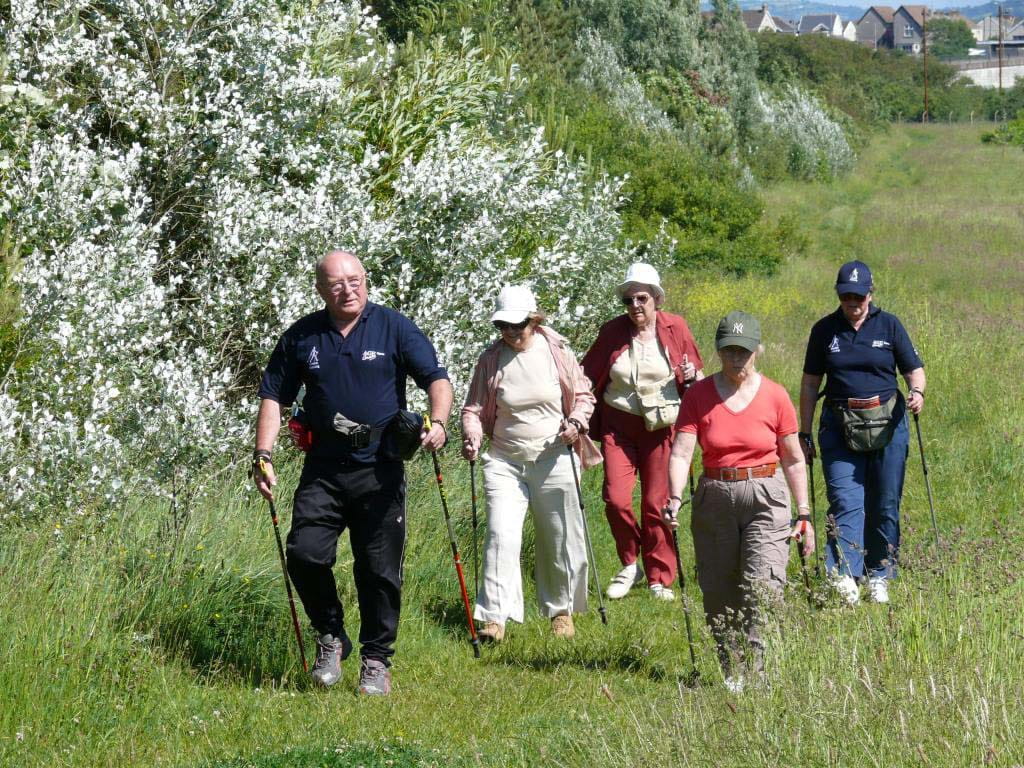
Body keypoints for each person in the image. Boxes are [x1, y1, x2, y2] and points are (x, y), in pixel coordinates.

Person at [253, 249, 452, 695]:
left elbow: (436, 379)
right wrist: (262, 454)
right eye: (337, 283)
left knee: (379, 570)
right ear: (321, 290)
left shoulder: (393, 326)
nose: (349, 289)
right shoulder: (303, 336)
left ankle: (377, 660)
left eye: (355, 279)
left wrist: (438, 423)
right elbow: (273, 396)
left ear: (366, 280)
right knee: (304, 554)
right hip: (323, 468)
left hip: (380, 469)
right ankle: (331, 635)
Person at [664, 311, 813, 691]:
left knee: (761, 584)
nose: (736, 358)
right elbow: (682, 452)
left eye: (743, 351)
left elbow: (794, 458)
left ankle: (759, 672)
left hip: (767, 494)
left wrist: (804, 513)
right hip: (715, 494)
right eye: (729, 350)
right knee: (718, 587)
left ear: (758, 350)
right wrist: (675, 496)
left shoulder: (776, 395)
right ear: (717, 350)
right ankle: (732, 670)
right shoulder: (698, 396)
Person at [461, 285, 601, 641]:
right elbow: (473, 409)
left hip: (555, 457)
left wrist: (577, 423)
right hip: (505, 461)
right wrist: (472, 435)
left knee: (559, 537)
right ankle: (495, 618)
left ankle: (561, 610)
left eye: (517, 325)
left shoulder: (556, 352)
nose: (510, 332)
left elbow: (584, 396)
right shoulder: (490, 359)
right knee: (500, 535)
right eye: (503, 326)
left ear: (534, 321)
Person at [798, 260, 924, 606]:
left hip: (888, 424)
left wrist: (917, 393)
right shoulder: (824, 330)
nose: (853, 303)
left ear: (871, 293)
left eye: (858, 295)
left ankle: (879, 573)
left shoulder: (890, 325)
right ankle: (843, 575)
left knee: (884, 501)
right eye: (846, 296)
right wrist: (803, 432)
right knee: (845, 500)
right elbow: (810, 384)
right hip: (840, 425)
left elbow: (914, 370)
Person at [581, 263, 703, 602]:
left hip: (661, 427)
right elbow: (585, 374)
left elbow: (696, 373)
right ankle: (629, 562)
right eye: (629, 299)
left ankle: (659, 576)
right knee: (616, 499)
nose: (635, 305)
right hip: (619, 425)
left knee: (656, 503)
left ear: (656, 299)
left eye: (642, 298)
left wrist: (691, 374)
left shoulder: (676, 327)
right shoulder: (612, 332)